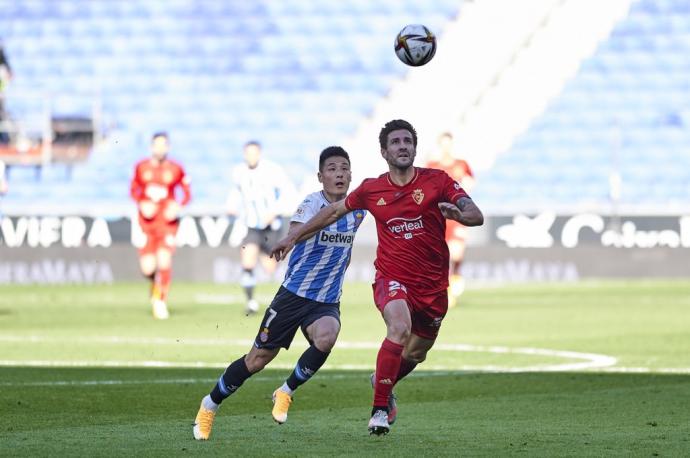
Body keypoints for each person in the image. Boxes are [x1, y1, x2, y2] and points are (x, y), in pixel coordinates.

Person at [271, 120, 484, 435]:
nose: (402, 146)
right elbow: (332, 212)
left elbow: (475, 214)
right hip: (392, 277)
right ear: (384, 151)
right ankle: (379, 411)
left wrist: (460, 214)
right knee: (399, 327)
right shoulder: (372, 189)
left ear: (414, 148)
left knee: (416, 353)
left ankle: (383, 379)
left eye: (407, 141)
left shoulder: (437, 181)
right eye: (395, 142)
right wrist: (293, 237)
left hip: (433, 286)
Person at [193, 146, 366, 440]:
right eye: (333, 168)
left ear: (351, 174)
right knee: (257, 360)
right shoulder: (311, 204)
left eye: (345, 168)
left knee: (327, 336)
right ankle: (209, 405)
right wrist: (303, 231)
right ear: (320, 176)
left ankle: (285, 391)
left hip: (326, 299)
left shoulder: (358, 210)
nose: (339, 173)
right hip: (293, 294)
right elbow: (298, 230)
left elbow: (345, 250)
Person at [226, 140, 297, 315]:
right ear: (244, 154)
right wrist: (231, 206)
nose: (251, 156)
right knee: (247, 260)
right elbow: (236, 193)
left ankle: (287, 290)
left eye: (254, 153)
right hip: (251, 225)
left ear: (259, 153)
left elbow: (288, 192)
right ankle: (250, 302)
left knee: (270, 267)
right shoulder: (239, 172)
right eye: (248, 153)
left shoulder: (273, 171)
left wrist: (274, 211)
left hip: (271, 226)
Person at [129, 132, 191, 319]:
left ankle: (160, 301)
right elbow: (134, 190)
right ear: (151, 147)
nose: (160, 149)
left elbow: (187, 192)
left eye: (164, 145)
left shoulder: (176, 168)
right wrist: (141, 202)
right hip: (146, 223)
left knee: (164, 260)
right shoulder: (141, 167)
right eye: (157, 145)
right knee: (148, 269)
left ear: (168, 147)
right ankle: (155, 285)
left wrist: (178, 206)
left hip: (167, 223)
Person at [426, 132, 476, 307]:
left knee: (456, 252)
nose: (446, 148)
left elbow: (470, 185)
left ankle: (455, 282)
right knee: (438, 255)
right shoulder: (432, 166)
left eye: (449, 144)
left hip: (456, 215)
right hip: (437, 216)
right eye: (443, 145)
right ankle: (441, 289)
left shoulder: (461, 165)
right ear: (440, 146)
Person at [0, 41, 12, 144]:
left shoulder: (3, 66)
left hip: (1, 96)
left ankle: (4, 140)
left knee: (2, 116)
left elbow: (9, 75)